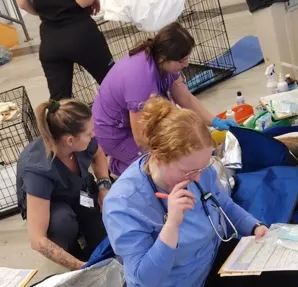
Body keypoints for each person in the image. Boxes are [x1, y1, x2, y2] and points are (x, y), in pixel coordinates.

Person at [102, 98, 298, 287]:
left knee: (285, 274)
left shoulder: (198, 169)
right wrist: (172, 224)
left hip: (210, 260)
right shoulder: (124, 203)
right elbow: (147, 278)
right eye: (188, 171)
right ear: (159, 157)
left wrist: (255, 227)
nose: (196, 177)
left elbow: (224, 204)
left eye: (201, 168)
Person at [92, 22, 217, 176]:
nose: (186, 64)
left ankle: (127, 161)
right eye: (181, 60)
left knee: (182, 148)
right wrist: (169, 152)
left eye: (187, 58)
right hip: (115, 133)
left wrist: (214, 121)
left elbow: (186, 98)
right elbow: (141, 137)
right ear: (163, 58)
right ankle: (118, 166)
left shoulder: (163, 61)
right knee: (161, 169)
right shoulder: (141, 79)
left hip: (132, 123)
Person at [18, 99, 111, 272]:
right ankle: (72, 249)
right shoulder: (38, 171)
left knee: (104, 232)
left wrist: (103, 186)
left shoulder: (84, 142)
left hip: (80, 191)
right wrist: (81, 267)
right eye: (89, 133)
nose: (93, 135)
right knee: (62, 223)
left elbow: (98, 155)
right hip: (51, 207)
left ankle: (86, 231)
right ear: (70, 140)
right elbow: (37, 240)